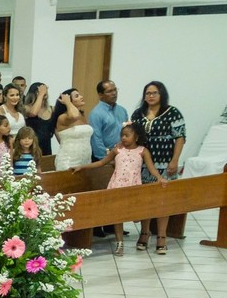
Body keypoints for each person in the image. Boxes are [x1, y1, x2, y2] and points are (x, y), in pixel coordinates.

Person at [74, 123, 165, 257]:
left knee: (138, 215)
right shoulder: (117, 150)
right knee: (118, 216)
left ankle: (146, 233)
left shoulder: (142, 151)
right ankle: (119, 242)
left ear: (137, 137)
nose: (123, 138)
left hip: (133, 186)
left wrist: (159, 178)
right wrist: (82, 167)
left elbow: (151, 168)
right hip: (117, 186)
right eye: (122, 135)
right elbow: (101, 163)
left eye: (127, 135)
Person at [131, 81, 185, 254]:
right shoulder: (138, 113)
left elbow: (180, 137)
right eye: (148, 93)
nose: (151, 96)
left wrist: (175, 160)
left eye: (155, 93)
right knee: (146, 200)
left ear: (162, 94)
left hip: (165, 162)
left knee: (163, 200)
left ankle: (162, 236)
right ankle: (145, 233)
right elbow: (132, 136)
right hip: (142, 164)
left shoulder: (172, 112)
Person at [52, 89, 94, 171]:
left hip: (85, 160)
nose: (81, 97)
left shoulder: (81, 115)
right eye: (77, 96)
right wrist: (67, 102)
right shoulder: (63, 117)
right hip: (68, 160)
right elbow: (74, 116)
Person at [89, 80, 127, 161]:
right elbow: (96, 139)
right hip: (105, 158)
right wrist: (106, 158)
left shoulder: (122, 110)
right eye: (109, 91)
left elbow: (127, 133)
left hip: (123, 155)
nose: (114, 93)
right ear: (100, 95)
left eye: (115, 90)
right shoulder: (96, 113)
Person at [23, 82, 54, 155]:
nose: (44, 92)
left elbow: (55, 129)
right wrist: (41, 95)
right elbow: (33, 113)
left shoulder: (51, 109)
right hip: (31, 146)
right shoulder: (26, 107)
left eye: (45, 90)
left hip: (46, 146)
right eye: (40, 90)